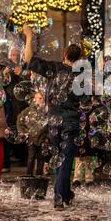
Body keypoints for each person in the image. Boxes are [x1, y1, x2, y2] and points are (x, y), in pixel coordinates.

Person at [23, 24, 86, 211]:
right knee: (65, 160)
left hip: (54, 121)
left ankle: (64, 194)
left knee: (60, 158)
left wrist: (29, 37)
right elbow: (86, 101)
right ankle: (60, 196)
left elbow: (29, 59)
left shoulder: (54, 69)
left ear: (65, 54)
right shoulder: (82, 76)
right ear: (79, 59)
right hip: (71, 122)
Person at [17, 91, 48, 177]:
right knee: (31, 157)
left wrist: (47, 136)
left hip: (42, 137)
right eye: (39, 98)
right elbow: (20, 121)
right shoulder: (28, 110)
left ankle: (39, 175)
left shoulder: (46, 111)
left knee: (41, 158)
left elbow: (49, 125)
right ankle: (29, 175)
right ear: (35, 99)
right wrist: (24, 132)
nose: (42, 100)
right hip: (31, 138)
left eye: (43, 98)